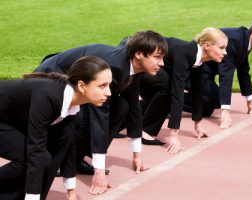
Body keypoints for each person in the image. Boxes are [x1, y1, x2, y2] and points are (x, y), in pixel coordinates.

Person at [34, 30, 168, 195]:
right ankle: (58, 160)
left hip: (82, 87)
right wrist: (99, 171)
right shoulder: (115, 67)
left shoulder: (133, 68)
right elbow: (100, 117)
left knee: (122, 106)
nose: (162, 63)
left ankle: (76, 159)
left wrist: (137, 154)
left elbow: (134, 107)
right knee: (83, 120)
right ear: (139, 54)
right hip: (55, 76)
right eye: (157, 56)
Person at [0, 56, 112, 200]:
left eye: (109, 85)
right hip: (4, 120)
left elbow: (69, 146)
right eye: (102, 86)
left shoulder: (72, 107)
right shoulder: (47, 97)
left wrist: (71, 190)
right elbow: (36, 147)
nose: (108, 92)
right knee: (36, 158)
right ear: (82, 86)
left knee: (65, 135)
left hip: (11, 119)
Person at [138, 28, 228, 154]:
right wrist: (173, 135)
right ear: (206, 46)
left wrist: (198, 123)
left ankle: (120, 121)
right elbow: (177, 92)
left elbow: (198, 90)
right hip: (137, 57)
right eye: (222, 47)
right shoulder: (185, 54)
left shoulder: (197, 58)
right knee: (169, 88)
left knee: (163, 95)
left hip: (148, 62)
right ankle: (146, 131)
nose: (225, 52)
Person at [183, 19, 252, 128]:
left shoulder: (245, 40)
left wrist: (249, 100)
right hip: (191, 70)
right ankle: (168, 99)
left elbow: (243, 71)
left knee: (206, 109)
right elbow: (226, 74)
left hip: (204, 72)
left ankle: (170, 103)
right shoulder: (235, 41)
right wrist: (225, 110)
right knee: (216, 99)